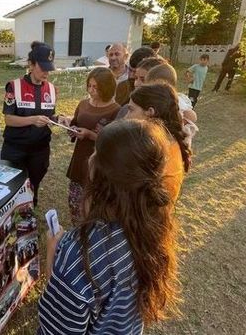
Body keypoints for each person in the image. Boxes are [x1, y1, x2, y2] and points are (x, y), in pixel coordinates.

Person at [39, 120, 180, 334]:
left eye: (96, 153)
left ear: (102, 174)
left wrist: (52, 255)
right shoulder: (151, 224)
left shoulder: (77, 255)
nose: (90, 158)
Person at [1, 41, 63, 207]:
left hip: (40, 149)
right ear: (30, 64)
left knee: (34, 184)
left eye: (49, 68)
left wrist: (60, 120)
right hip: (15, 148)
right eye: (42, 67)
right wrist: (32, 120)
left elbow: (49, 117)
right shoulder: (14, 86)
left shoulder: (51, 89)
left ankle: (31, 211)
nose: (46, 72)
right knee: (13, 186)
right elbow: (8, 119)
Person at [64, 68, 120, 224]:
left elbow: (113, 142)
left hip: (99, 163)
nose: (91, 90)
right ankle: (77, 231)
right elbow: (75, 122)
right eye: (89, 86)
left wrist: (89, 135)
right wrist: (72, 130)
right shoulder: (83, 104)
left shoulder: (116, 110)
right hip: (79, 159)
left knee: (94, 206)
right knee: (75, 201)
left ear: (107, 88)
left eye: (96, 87)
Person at [126, 84, 192, 201]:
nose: (126, 117)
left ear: (150, 112)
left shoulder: (156, 153)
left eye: (131, 110)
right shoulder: (166, 143)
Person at [146, 64, 199, 147]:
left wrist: (184, 117)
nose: (153, 91)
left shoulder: (176, 100)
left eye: (157, 87)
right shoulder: (152, 99)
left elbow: (193, 116)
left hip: (177, 133)